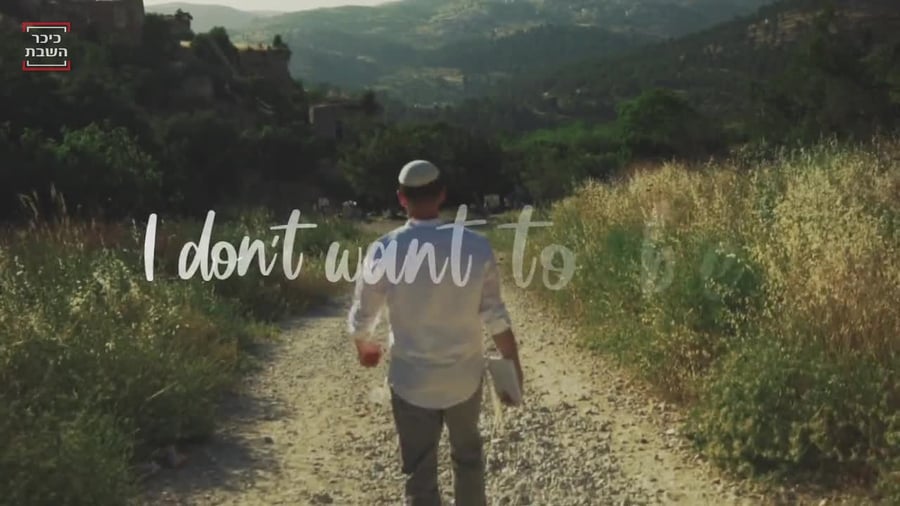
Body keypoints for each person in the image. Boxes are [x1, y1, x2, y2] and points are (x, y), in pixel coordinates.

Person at [347, 160, 524, 506]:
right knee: (468, 458)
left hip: (410, 381)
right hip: (464, 378)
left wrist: (363, 346)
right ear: (442, 194)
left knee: (418, 470)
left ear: (401, 198)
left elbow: (363, 315)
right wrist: (513, 365)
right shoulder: (475, 247)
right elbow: (495, 316)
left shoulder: (384, 249)